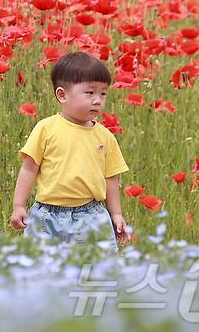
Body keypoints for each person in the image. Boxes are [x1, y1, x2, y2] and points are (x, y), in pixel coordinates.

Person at [10, 51, 129, 250]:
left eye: (103, 93)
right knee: (42, 269)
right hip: (47, 216)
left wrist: (116, 214)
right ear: (62, 95)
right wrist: (19, 205)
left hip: (91, 216)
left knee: (95, 268)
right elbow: (29, 169)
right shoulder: (46, 129)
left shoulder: (105, 136)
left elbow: (111, 179)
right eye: (90, 92)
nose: (98, 100)